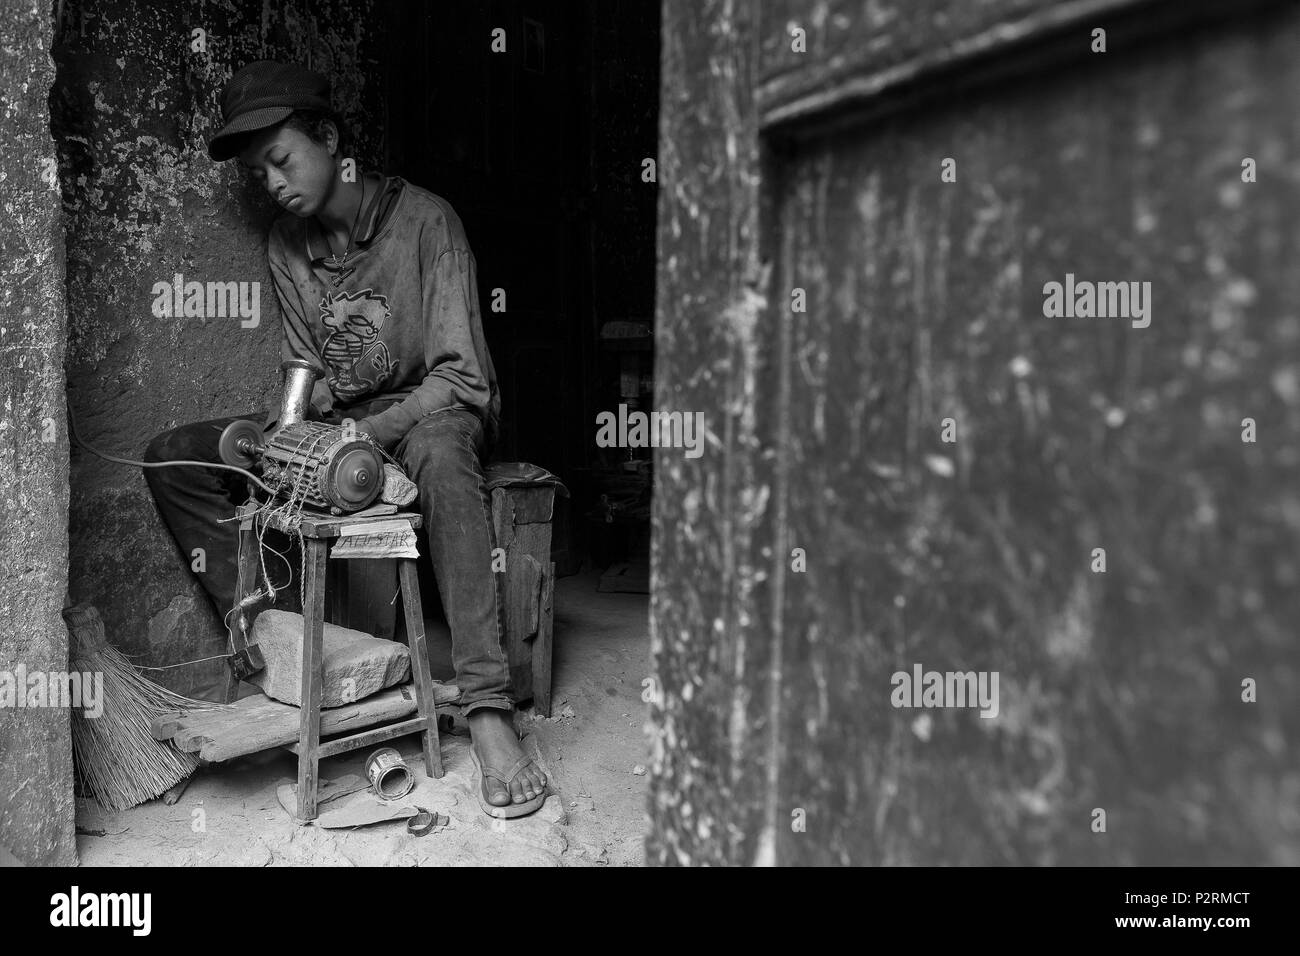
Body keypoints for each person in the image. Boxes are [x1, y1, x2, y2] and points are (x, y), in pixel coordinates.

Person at [143, 60, 547, 816]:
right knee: (180, 455)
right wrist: (291, 435)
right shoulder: (286, 247)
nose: (272, 182)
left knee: (444, 460)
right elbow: (310, 372)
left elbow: (463, 381)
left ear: (330, 140)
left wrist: (368, 427)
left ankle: (490, 711)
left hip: (432, 412)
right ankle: (297, 646)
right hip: (343, 430)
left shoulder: (429, 223)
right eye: (260, 172)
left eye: (281, 159)